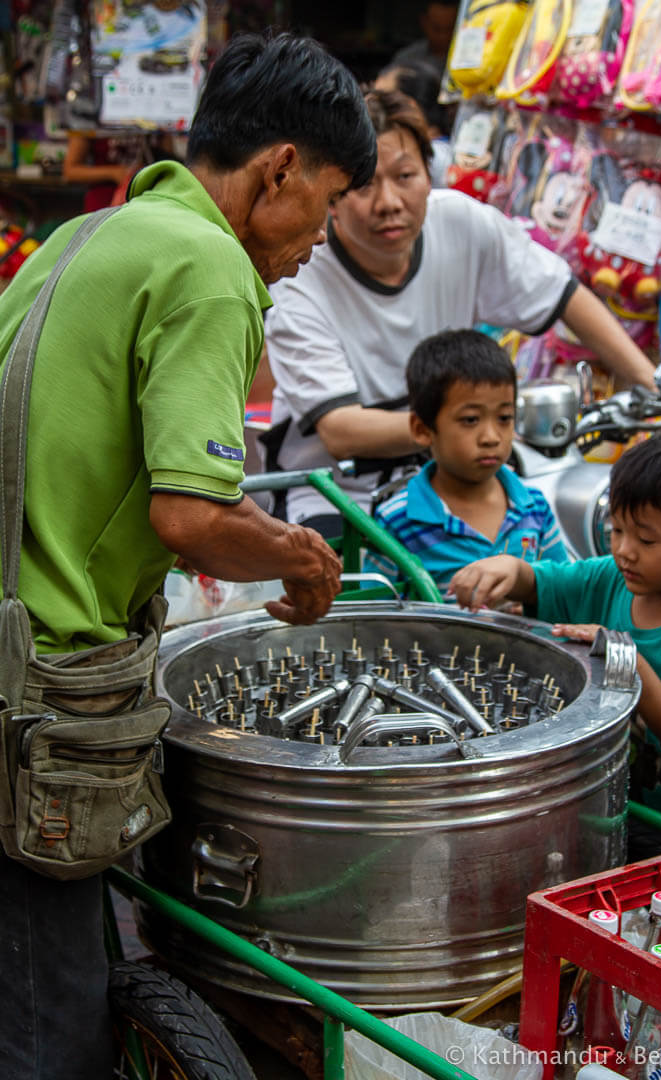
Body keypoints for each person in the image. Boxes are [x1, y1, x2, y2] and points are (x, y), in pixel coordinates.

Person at [0, 31, 375, 1080]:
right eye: (333, 201)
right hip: (34, 686)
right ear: (281, 172)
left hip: (14, 645)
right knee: (49, 1024)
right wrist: (298, 557)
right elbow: (193, 515)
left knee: (40, 969)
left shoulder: (95, 236)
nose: (322, 239)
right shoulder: (210, 266)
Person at [264, 88, 661, 535]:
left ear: (428, 173)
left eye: (405, 176)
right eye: (364, 185)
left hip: (453, 476)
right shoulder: (300, 271)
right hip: (337, 491)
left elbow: (564, 294)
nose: (389, 203)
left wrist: (657, 385)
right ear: (334, 195)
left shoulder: (462, 222)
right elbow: (342, 430)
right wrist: (471, 423)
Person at [448, 428, 661, 843]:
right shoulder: (610, 578)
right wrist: (510, 569)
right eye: (617, 530)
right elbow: (543, 583)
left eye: (646, 539)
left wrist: (626, 658)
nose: (625, 549)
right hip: (603, 810)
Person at [364, 328, 567, 592]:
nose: (491, 437)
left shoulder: (534, 508)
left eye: (504, 418)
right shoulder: (398, 521)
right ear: (422, 429)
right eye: (470, 420)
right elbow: (377, 618)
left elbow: (563, 591)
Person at [374, 59, 453, 186]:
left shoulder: (436, 159)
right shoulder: (444, 153)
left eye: (381, 102)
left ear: (410, 108)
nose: (370, 109)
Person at [390, 0, 459, 78]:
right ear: (424, 22)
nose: (443, 36)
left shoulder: (466, 58)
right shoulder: (406, 58)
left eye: (449, 29)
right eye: (437, 29)